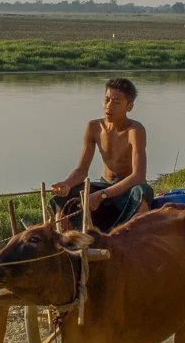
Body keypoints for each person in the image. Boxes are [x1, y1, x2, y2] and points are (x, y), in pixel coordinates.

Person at [50, 77, 154, 232]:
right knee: (63, 198)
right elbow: (81, 171)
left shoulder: (135, 130)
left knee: (142, 191)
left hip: (127, 190)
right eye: (106, 100)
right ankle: (64, 238)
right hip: (104, 184)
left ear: (129, 106)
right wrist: (67, 184)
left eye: (116, 102)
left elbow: (138, 176)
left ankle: (136, 236)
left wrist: (102, 195)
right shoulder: (93, 127)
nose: (109, 106)